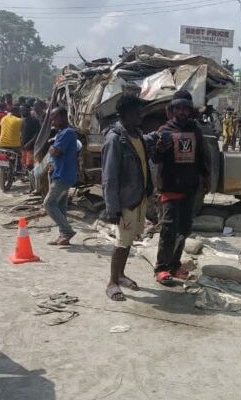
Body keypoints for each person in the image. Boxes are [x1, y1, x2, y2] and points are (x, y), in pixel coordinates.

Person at [152, 90, 210, 284]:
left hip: (190, 187)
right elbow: (155, 158)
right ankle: (161, 268)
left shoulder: (195, 130)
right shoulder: (165, 131)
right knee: (168, 229)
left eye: (186, 108)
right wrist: (160, 149)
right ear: (173, 109)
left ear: (190, 110)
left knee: (184, 229)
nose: (182, 111)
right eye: (179, 108)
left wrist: (206, 177)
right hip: (169, 186)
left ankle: (175, 265)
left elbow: (202, 156)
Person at [101, 94, 153, 301]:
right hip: (125, 201)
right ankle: (112, 282)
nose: (141, 116)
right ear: (124, 114)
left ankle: (121, 275)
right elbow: (109, 176)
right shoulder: (115, 139)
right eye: (136, 112)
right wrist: (112, 207)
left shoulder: (137, 135)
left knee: (129, 239)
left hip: (137, 198)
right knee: (121, 242)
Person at [43, 107, 78, 246]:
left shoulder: (67, 133)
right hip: (62, 173)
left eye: (54, 117)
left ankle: (67, 230)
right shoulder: (62, 132)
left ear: (63, 117)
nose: (52, 120)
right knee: (60, 206)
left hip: (63, 175)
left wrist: (51, 147)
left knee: (48, 203)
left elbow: (55, 151)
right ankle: (63, 236)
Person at [20, 104, 40, 171]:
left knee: (30, 165)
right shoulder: (23, 121)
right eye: (21, 110)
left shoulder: (35, 121)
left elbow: (37, 134)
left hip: (31, 148)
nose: (22, 112)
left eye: (23, 110)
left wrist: (29, 143)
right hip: (23, 147)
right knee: (24, 165)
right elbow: (21, 133)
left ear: (28, 110)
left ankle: (32, 180)